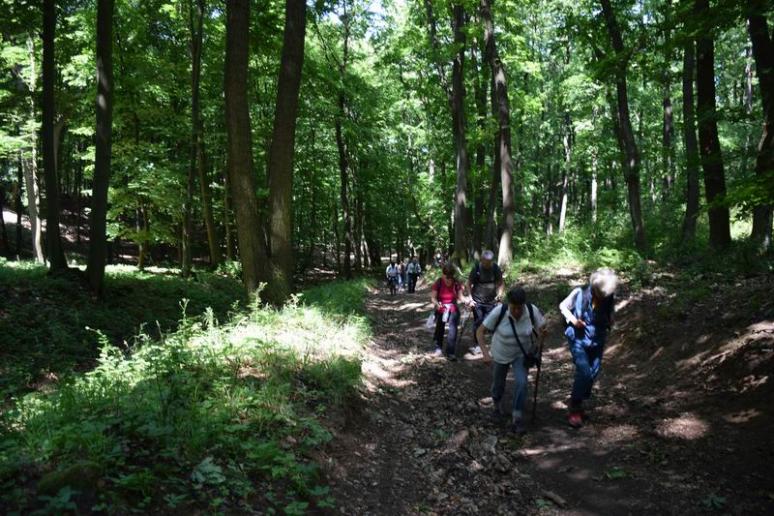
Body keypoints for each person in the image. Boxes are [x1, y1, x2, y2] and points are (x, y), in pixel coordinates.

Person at [476, 286, 546, 434]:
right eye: (513, 308)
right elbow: (480, 331)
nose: (516, 311)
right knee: (498, 383)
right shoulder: (499, 311)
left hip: (521, 353)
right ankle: (496, 405)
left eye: (519, 308)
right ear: (509, 304)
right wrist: (485, 353)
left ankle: (517, 417)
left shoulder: (531, 310)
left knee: (522, 383)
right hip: (500, 352)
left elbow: (542, 329)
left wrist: (538, 344)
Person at [559, 268, 617, 428]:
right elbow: (563, 306)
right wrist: (573, 320)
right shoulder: (579, 292)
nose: (602, 296)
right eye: (600, 293)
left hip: (597, 338)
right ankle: (575, 407)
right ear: (594, 287)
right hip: (578, 337)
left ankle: (580, 399)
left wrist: (611, 318)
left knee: (593, 372)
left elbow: (610, 310)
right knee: (584, 372)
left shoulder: (609, 295)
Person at [466, 250, 505, 355]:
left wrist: (500, 295)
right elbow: (469, 284)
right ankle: (477, 344)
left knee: (491, 323)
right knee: (478, 322)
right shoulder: (477, 269)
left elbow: (501, 283)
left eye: (490, 262)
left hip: (491, 301)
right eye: (486, 262)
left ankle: (494, 345)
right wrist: (470, 298)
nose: (488, 264)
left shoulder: (495, 268)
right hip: (477, 301)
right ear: (482, 260)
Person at [430, 263, 466, 360]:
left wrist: (467, 301)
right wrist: (437, 304)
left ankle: (450, 352)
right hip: (441, 308)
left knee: (453, 330)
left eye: (450, 277)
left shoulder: (456, 283)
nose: (448, 279)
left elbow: (460, 296)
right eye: (446, 276)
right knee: (439, 328)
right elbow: (433, 298)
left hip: (453, 308)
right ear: (443, 273)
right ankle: (438, 349)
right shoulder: (438, 282)